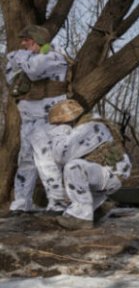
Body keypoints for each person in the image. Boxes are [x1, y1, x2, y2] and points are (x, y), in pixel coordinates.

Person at [4, 25, 69, 214]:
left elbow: (33, 70)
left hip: (48, 118)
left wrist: (18, 58)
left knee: (46, 159)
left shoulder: (55, 57)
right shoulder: (31, 57)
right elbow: (11, 77)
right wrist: (18, 60)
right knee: (25, 160)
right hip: (29, 118)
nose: (22, 44)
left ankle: (57, 201)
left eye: (27, 40)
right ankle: (22, 202)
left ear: (37, 41)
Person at [45, 99, 132, 230]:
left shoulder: (88, 128)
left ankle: (81, 218)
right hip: (108, 173)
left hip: (110, 175)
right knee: (67, 212)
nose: (56, 126)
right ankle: (98, 208)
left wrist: (59, 132)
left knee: (74, 167)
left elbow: (60, 155)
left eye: (58, 124)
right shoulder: (93, 123)